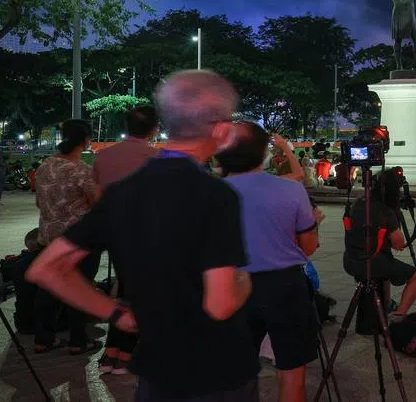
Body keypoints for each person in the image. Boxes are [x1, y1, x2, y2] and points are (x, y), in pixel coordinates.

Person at [28, 70, 259, 400]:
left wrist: (116, 314)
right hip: (217, 368)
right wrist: (244, 282)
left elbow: (46, 269)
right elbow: (220, 305)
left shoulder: (123, 192)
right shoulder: (214, 195)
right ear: (221, 130)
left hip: (156, 368)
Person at [221, 123, 325, 402]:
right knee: (291, 371)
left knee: (235, 373)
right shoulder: (290, 190)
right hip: (284, 286)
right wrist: (313, 225)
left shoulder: (211, 193)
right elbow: (308, 247)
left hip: (230, 286)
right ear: (262, 153)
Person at [92, 105, 159, 374]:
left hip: (115, 235)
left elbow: (96, 200)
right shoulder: (157, 158)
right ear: (155, 129)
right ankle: (124, 352)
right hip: (148, 238)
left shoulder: (103, 158)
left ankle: (113, 351)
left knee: (126, 290)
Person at [33, 119, 102, 354]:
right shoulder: (81, 171)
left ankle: (44, 338)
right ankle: (79, 340)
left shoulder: (44, 167)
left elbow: (38, 202)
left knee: (48, 289)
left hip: (50, 238)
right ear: (85, 140)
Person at [343, 168, 416, 319]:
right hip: (371, 263)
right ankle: (399, 315)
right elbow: (398, 244)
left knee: (385, 260)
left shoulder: (357, 203)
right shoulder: (385, 211)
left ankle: (386, 302)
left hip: (350, 259)